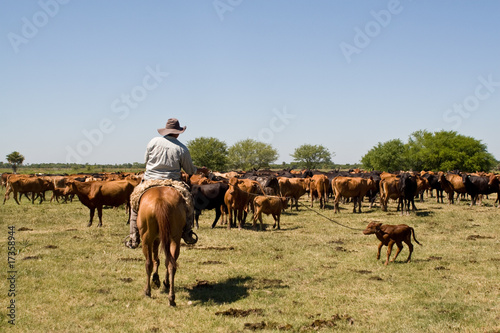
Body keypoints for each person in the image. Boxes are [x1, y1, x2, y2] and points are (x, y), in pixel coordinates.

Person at [125, 118, 201, 249]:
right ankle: (188, 232)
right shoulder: (182, 148)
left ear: (166, 131)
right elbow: (189, 170)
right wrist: (198, 170)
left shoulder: (153, 142)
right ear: (178, 133)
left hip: (149, 180)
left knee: (134, 202)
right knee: (189, 201)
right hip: (172, 182)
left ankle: (133, 236)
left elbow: (146, 160)